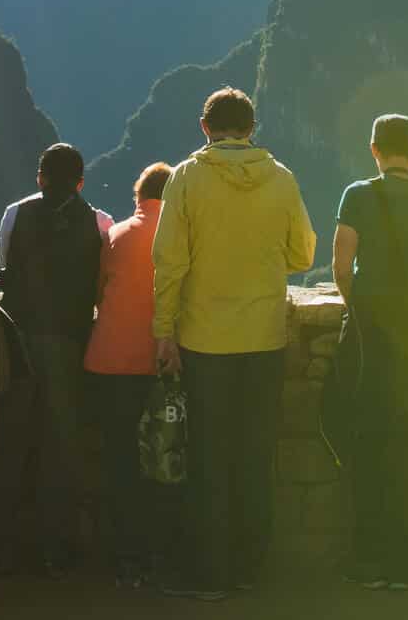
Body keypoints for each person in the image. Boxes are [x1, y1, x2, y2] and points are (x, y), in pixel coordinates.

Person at [151, 86, 317, 601]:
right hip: (265, 336)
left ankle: (210, 575)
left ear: (206, 127)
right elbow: (304, 253)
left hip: (204, 339)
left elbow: (169, 261)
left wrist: (164, 330)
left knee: (209, 456)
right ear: (252, 128)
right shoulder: (282, 178)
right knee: (254, 453)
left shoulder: (186, 178)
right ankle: (251, 567)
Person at [330, 114, 408, 592]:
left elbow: (342, 263)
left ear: (374, 149)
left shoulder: (357, 195)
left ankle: (367, 560)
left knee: (366, 444)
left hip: (369, 334)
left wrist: (354, 304)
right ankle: (405, 565)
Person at [0, 143, 105, 577]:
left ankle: (2, 547)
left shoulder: (14, 214)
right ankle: (54, 549)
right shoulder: (97, 223)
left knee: (13, 439)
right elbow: (98, 286)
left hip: (18, 342)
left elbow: (3, 276)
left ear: (40, 176)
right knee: (61, 445)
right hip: (70, 344)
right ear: (81, 181)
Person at [84, 162, 176, 589]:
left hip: (109, 361)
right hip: (159, 363)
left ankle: (123, 557)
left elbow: (98, 292)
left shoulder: (116, 235)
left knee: (118, 459)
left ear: (139, 196)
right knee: (164, 459)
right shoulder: (180, 235)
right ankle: (161, 551)